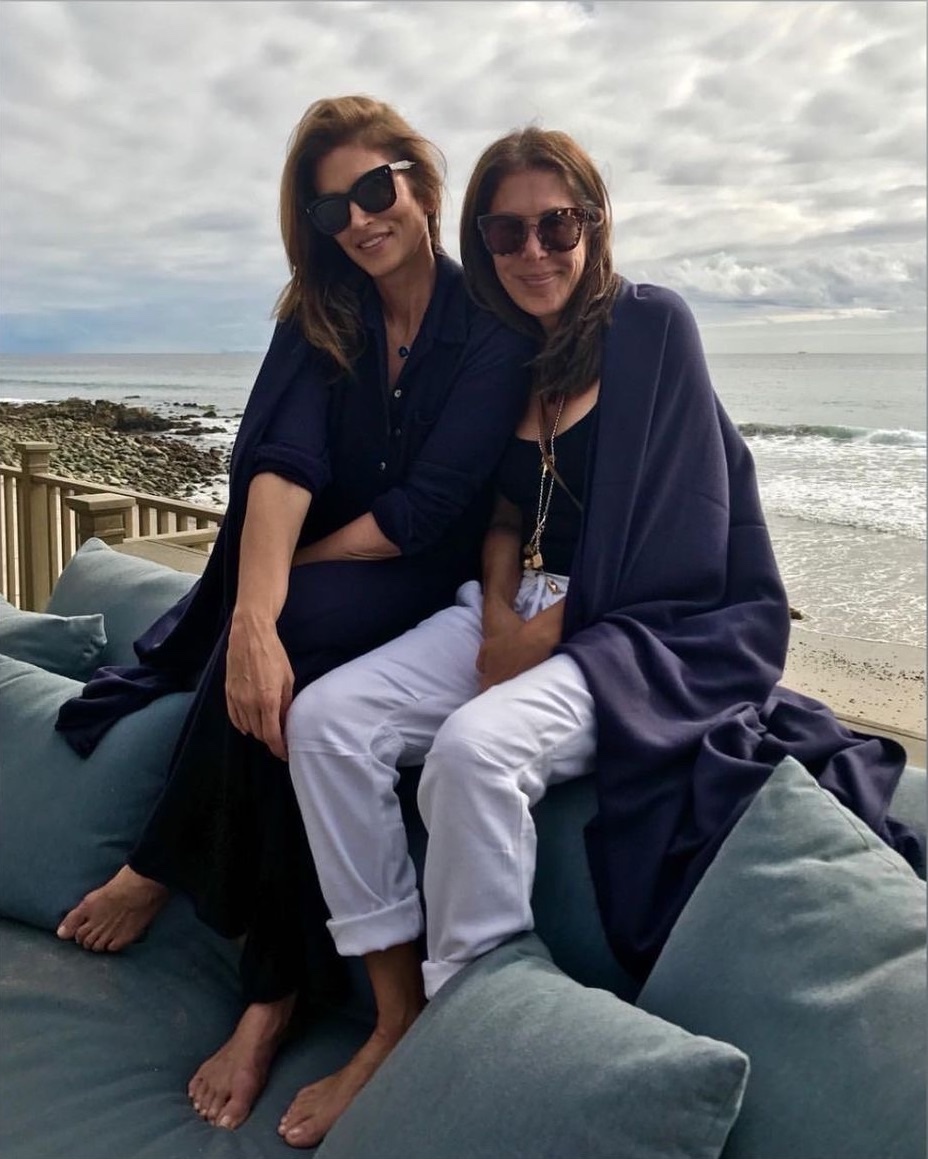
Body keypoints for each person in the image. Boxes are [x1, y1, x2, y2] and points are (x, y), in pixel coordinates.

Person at [280, 125, 924, 1149]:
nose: (534, 251)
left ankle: (475, 1027)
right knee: (326, 721)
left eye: (558, 225)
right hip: (518, 603)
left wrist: (540, 643)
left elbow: (677, 543)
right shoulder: (505, 350)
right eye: (506, 232)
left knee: (474, 752)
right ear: (481, 240)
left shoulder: (650, 326)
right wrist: (500, 619)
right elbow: (500, 511)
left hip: (639, 625)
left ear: (594, 223)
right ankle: (394, 1013)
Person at [53, 96, 534, 1132]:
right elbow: (280, 462)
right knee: (267, 643)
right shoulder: (322, 312)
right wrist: (253, 614)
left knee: (289, 630)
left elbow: (425, 511)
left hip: (418, 566)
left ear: (420, 184)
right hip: (318, 562)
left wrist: (280, 593)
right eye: (329, 210)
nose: (358, 219)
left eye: (374, 189)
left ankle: (242, 963)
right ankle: (256, 966)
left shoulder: (488, 328)